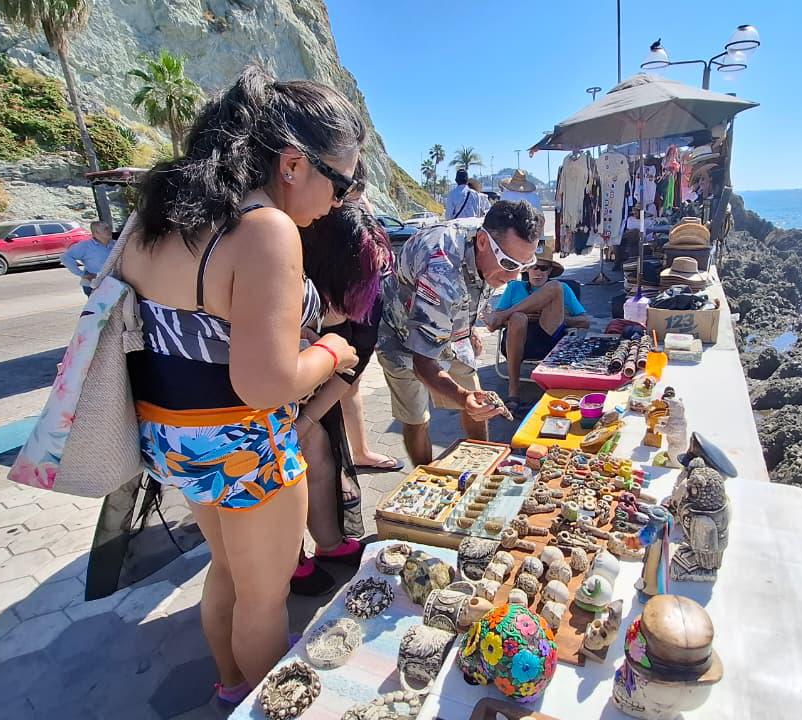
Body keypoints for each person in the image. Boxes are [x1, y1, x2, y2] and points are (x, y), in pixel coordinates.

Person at [120, 67, 364, 705]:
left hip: (177, 437)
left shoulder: (162, 216)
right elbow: (266, 383)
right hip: (244, 442)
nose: (340, 201)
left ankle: (231, 686)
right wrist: (331, 352)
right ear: (293, 164)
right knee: (265, 597)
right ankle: (264, 702)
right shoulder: (264, 228)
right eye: (341, 182)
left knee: (226, 570)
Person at [377, 200, 543, 465]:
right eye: (508, 264)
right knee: (416, 416)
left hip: (453, 324)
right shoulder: (440, 269)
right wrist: (463, 398)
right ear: (482, 242)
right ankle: (425, 476)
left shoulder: (490, 233)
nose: (514, 277)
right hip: (401, 332)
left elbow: (473, 287)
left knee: (477, 400)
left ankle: (482, 467)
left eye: (523, 266)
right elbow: (423, 362)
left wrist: (469, 327)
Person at [291, 201, 393, 594]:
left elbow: (351, 368)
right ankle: (288, 558)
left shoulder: (370, 294)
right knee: (287, 472)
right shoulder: (287, 282)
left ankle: (329, 543)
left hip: (315, 387)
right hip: (262, 396)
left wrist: (306, 419)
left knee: (320, 454)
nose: (347, 310)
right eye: (340, 296)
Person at [485, 246, 590, 410]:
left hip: (547, 338)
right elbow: (496, 320)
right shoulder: (514, 287)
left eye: (543, 268)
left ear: (550, 271)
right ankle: (513, 390)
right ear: (527, 269)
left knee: (555, 287)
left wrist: (557, 316)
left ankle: (511, 313)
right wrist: (521, 315)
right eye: (533, 266)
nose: (538, 272)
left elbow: (585, 321)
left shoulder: (562, 288)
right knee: (518, 317)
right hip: (515, 340)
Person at [61, 220, 114, 295]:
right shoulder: (86, 246)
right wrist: (82, 274)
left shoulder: (115, 244)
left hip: (113, 283)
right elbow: (66, 257)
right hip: (94, 285)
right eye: (105, 229)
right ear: (96, 233)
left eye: (109, 228)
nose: (109, 231)